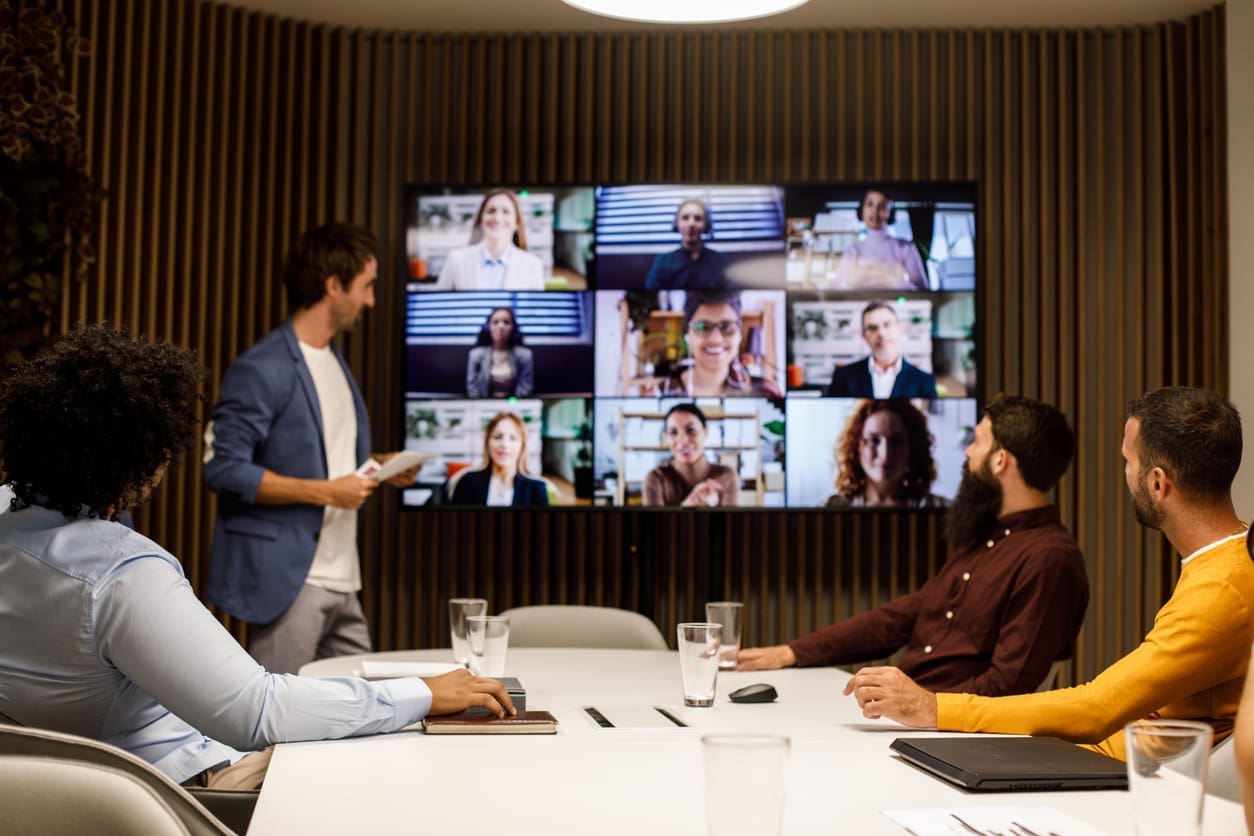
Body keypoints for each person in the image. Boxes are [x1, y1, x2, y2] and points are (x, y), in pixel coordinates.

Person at [0, 325, 513, 789]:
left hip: (71, 790)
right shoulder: (122, 574)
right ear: (145, 457)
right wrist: (421, 693)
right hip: (184, 790)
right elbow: (256, 711)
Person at [847, 387, 1254, 760]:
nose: (1125, 475)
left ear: (1158, 483)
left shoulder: (1220, 589)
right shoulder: (1231, 559)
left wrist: (931, 707)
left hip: (1130, 780)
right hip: (1110, 759)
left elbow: (1097, 709)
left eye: (1127, 463)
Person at [739, 394, 1089, 700]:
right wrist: (791, 652)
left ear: (1000, 460)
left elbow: (1009, 688)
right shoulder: (984, 537)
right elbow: (897, 620)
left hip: (949, 742)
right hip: (912, 722)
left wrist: (916, 702)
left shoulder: (1049, 560)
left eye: (977, 442)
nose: (968, 451)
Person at [203, 222, 418, 675]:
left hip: (344, 578)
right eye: (366, 286)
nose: (371, 300)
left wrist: (377, 466)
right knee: (277, 725)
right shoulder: (263, 367)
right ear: (333, 285)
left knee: (363, 717)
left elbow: (328, 457)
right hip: (292, 582)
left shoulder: (334, 361)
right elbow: (222, 469)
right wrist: (326, 492)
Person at [653, 290, 782, 399]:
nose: (716, 339)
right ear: (688, 335)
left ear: (739, 335)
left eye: (727, 326)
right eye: (702, 327)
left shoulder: (767, 392)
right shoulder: (659, 394)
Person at [822, 399, 946, 508]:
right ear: (857, 446)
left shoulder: (945, 511)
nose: (885, 454)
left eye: (897, 441)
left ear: (912, 448)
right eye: (874, 440)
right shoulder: (827, 509)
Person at [436, 189, 545, 291]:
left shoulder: (533, 265)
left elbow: (535, 310)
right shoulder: (456, 260)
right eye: (491, 211)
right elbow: (437, 306)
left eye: (506, 212)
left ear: (517, 223)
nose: (497, 218)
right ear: (481, 220)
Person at [826, 301, 937, 398]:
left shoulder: (924, 381)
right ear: (864, 336)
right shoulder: (843, 377)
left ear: (900, 329)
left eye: (887, 325)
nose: (881, 333)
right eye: (872, 328)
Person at [642, 404, 741, 507]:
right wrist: (689, 506)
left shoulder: (726, 477)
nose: (683, 440)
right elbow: (653, 523)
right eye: (673, 432)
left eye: (691, 430)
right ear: (666, 437)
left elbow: (731, 523)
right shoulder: (656, 479)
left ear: (705, 432)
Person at [832, 188, 929, 291]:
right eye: (870, 204)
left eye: (882, 206)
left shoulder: (905, 247)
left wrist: (901, 285)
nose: (875, 211)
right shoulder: (853, 250)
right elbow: (835, 290)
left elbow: (923, 290)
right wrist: (851, 283)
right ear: (862, 211)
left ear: (890, 213)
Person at [449, 412, 550, 506]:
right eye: (497, 437)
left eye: (513, 438)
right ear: (487, 443)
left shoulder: (537, 489)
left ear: (522, 446)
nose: (505, 444)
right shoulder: (467, 482)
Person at [644, 197, 731, 289]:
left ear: (706, 224)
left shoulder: (722, 261)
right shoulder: (663, 261)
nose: (691, 224)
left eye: (697, 218)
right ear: (677, 223)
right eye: (685, 218)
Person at [466, 307, 534, 397]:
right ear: (488, 327)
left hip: (514, 406)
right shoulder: (475, 355)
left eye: (506, 322)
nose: (501, 327)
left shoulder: (525, 355)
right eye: (495, 322)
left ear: (513, 327)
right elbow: (473, 389)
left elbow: (525, 388)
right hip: (484, 406)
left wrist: (511, 405)